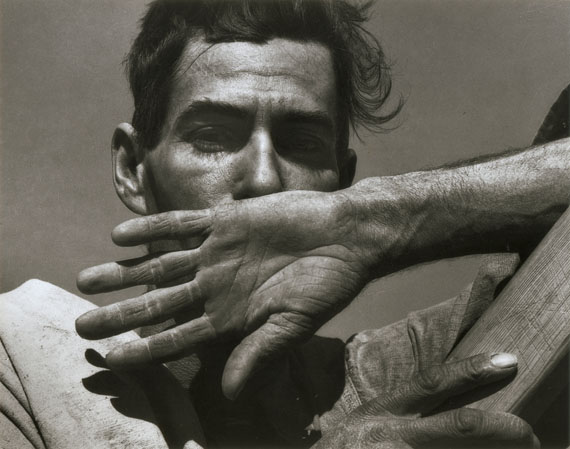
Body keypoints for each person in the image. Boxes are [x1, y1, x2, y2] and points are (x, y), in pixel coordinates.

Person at [1, 0, 568, 448]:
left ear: (342, 182)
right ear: (132, 168)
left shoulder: (407, 373)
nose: (266, 182)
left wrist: (376, 218)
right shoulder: (25, 364)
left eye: (302, 142)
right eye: (212, 137)